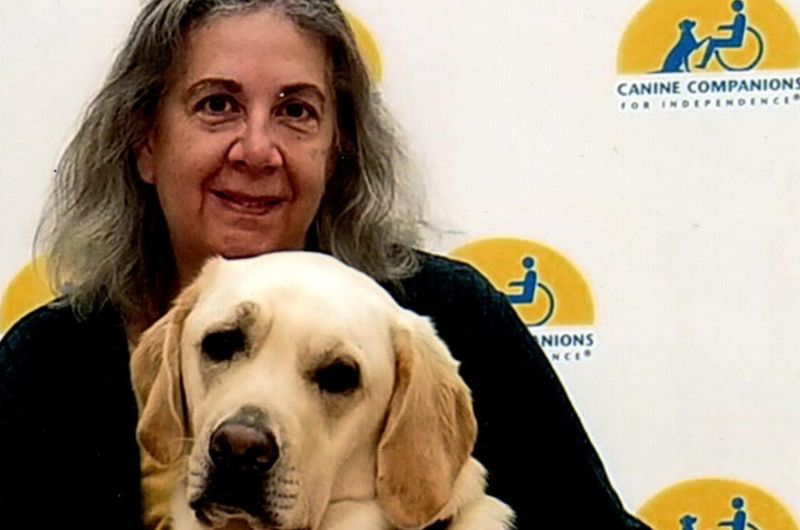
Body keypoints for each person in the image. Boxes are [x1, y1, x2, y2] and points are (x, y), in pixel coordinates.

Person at [0, 1, 651, 529]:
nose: (256, 150)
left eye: (295, 112)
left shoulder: (449, 316)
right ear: (146, 142)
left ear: (337, 152)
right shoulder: (47, 362)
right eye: (217, 104)